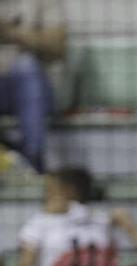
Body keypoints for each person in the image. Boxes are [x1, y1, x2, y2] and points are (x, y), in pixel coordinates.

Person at [0, 0, 66, 171]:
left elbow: (58, 47)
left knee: (26, 67)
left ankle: (32, 164)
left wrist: (11, 32)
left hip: (35, 90)